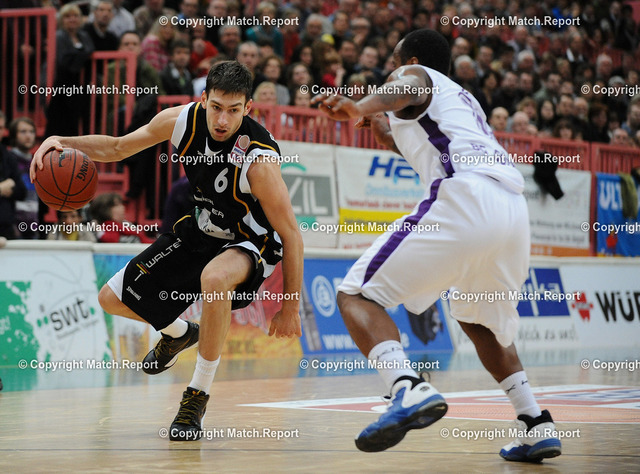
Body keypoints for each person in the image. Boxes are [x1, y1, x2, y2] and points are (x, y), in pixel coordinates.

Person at [312, 29, 562, 462]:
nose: (391, 70)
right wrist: (383, 130)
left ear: (410, 60)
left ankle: (405, 387)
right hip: (511, 212)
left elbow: (406, 87)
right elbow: (429, 146)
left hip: (467, 199)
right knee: (478, 319)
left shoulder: (415, 75)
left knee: (355, 294)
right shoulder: (461, 99)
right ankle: (535, 422)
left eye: (394, 61)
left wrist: (360, 105)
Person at [31, 61, 303, 441]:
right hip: (204, 226)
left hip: (252, 239)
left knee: (215, 279)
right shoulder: (180, 121)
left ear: (248, 108)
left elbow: (292, 234)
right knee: (111, 298)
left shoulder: (259, 163)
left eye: (234, 110)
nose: (223, 120)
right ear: (203, 99)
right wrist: (61, 141)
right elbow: (117, 148)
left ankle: (196, 397)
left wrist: (290, 307)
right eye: (216, 107)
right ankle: (179, 333)